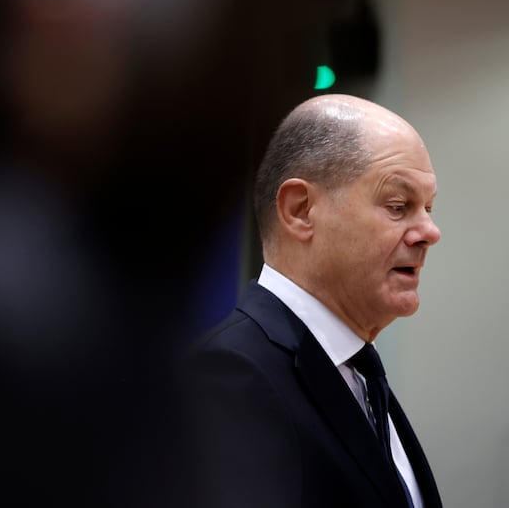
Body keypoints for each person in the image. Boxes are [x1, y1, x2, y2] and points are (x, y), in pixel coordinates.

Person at [182, 94, 444, 507]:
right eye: (399, 206)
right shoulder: (227, 379)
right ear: (301, 210)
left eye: (427, 208)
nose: (429, 231)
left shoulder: (361, 377)